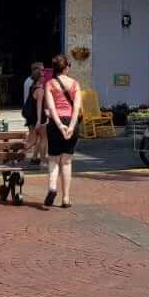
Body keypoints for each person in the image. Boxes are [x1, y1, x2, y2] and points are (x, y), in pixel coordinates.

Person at [44, 54, 82, 208]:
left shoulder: (50, 84)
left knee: (53, 159)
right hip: (71, 122)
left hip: (55, 123)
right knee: (66, 162)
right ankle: (66, 198)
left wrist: (60, 125)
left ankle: (52, 187)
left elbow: (51, 108)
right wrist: (71, 127)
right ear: (66, 67)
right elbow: (76, 108)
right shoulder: (75, 84)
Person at [22, 63, 47, 167]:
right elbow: (39, 106)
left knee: (33, 140)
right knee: (44, 138)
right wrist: (39, 121)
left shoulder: (32, 87)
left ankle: (16, 155)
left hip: (31, 117)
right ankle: (42, 161)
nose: (44, 77)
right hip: (38, 118)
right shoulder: (40, 90)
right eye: (42, 76)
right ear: (39, 78)